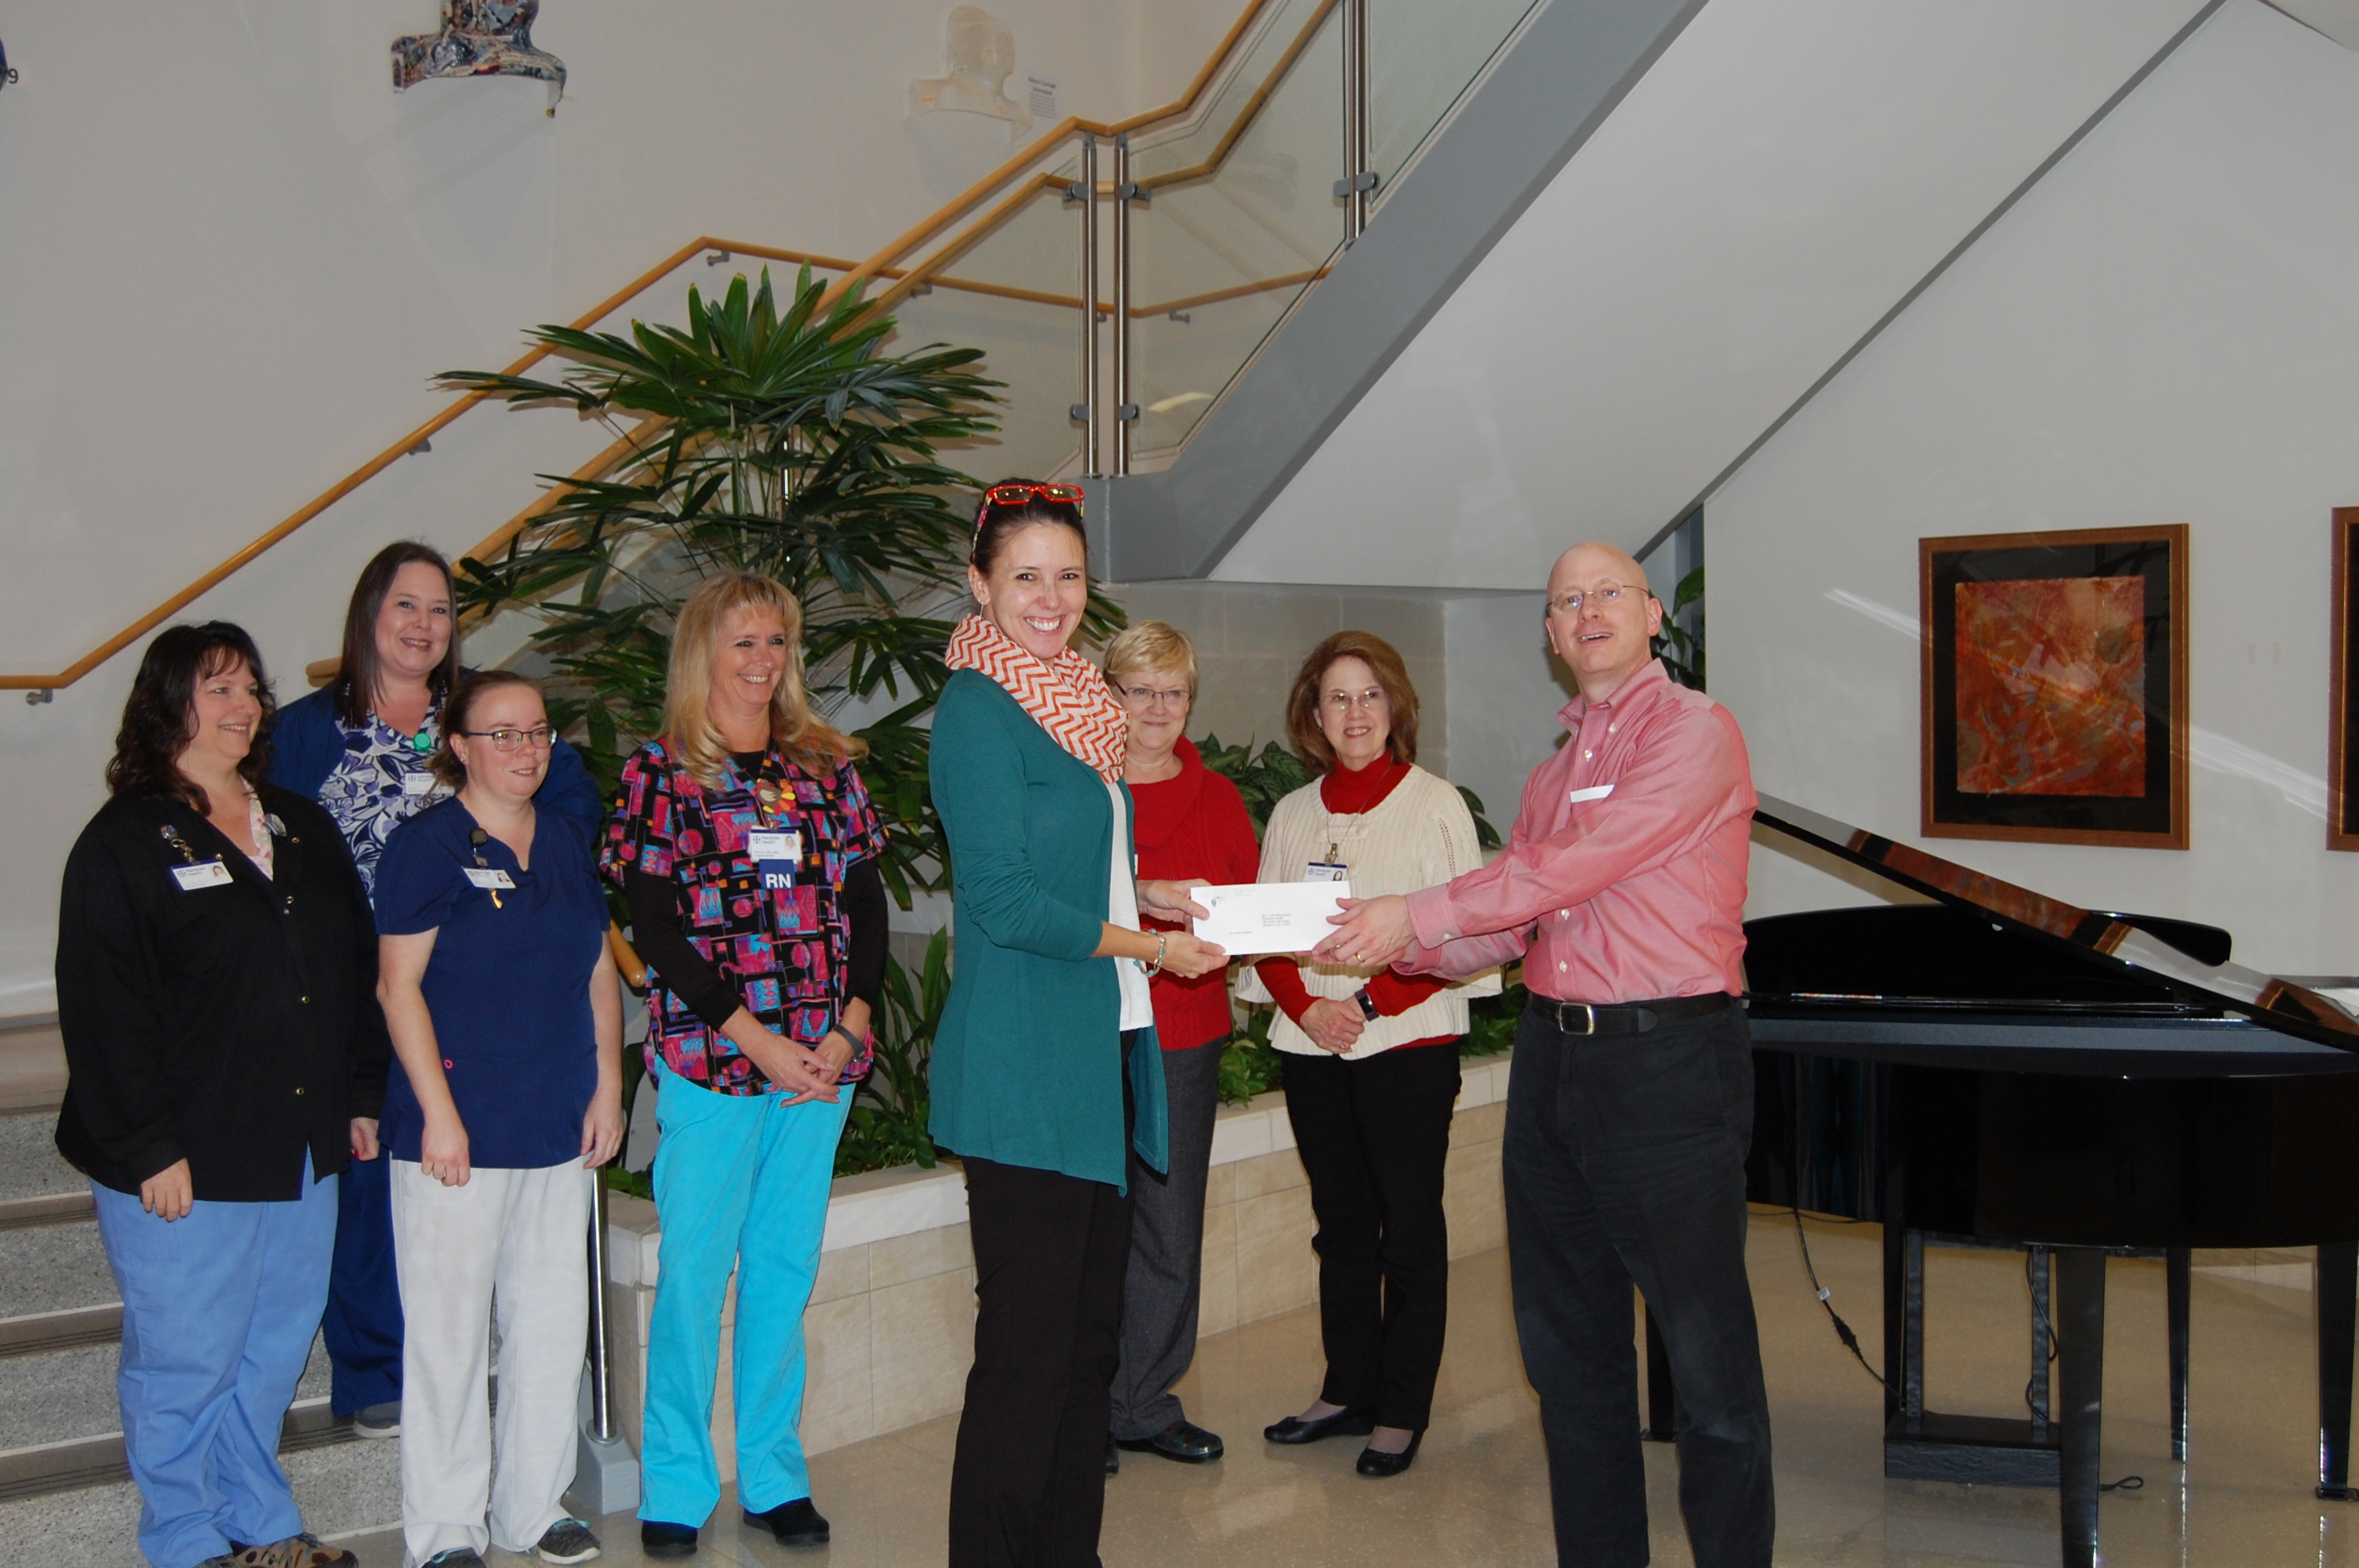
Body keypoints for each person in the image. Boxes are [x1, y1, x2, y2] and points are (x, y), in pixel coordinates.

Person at [1315, 543, 1770, 1566]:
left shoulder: (1696, 734)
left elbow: (1575, 867)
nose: (1588, 608)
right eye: (1567, 600)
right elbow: (1514, 926)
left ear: (1653, 614)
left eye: (1609, 590)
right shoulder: (1553, 773)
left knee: (1707, 1367)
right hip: (1554, 1067)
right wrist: (1376, 940)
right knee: (1571, 1361)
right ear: (1552, 638)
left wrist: (1413, 911)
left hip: (1668, 1064)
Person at [927, 481, 1225, 1566]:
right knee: (1028, 1355)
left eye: (1068, 575)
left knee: (1088, 1346)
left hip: (1097, 1055)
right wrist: (1149, 950)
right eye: (1025, 576)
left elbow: (1074, 869)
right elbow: (1003, 902)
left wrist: (1147, 901)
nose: (1050, 598)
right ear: (979, 584)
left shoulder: (1074, 701)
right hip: (1023, 1067)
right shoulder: (976, 707)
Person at [55, 622, 388, 1568]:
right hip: (184, 1155)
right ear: (168, 701)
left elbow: (350, 965)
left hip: (300, 1142)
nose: (243, 707)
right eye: (218, 688)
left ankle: (259, 1518)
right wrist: (148, 1144)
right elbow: (102, 1007)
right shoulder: (124, 839)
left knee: (274, 1348)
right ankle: (183, 1535)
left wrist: (360, 1092)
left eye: (251, 689)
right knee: (186, 1358)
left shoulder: (297, 820)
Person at [269, 541, 605, 1439]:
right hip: (359, 984)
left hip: (475, 981)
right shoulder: (308, 729)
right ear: (368, 616)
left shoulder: (483, 716)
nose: (423, 626)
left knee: (470, 1196)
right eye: (404, 606)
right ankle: (373, 1364)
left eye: (440, 610)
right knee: (372, 1169)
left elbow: (568, 813)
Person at [602, 572, 891, 1559]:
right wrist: (755, 1036)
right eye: (742, 642)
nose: (762, 660)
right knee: (693, 1277)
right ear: (702, 652)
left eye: (775, 641)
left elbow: (864, 908)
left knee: (780, 1271)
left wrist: (850, 1025)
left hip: (820, 1066)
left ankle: (773, 1471)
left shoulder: (827, 765)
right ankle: (677, 1483)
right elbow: (654, 927)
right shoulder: (660, 772)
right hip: (715, 1063)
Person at [373, 671, 625, 1568]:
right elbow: (396, 985)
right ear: (460, 746)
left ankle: (530, 1506)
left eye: (538, 732)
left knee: (552, 1325)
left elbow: (596, 966)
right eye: (503, 733)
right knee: (447, 1337)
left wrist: (609, 1085)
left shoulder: (561, 840)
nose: (525, 749)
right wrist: (439, 1117)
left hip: (557, 1123)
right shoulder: (427, 846)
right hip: (457, 1135)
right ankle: (444, 1531)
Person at [1241, 631, 1496, 1479]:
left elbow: (1464, 935)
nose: (1353, 713)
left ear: (1395, 706)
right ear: (1311, 715)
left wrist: (1360, 1001)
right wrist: (1307, 1007)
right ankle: (1345, 1387)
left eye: (1368, 695)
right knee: (1341, 1225)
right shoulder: (1291, 812)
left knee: (1408, 1227)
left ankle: (1400, 1406)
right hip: (1312, 1043)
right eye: (1335, 698)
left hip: (1405, 1044)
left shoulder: (1434, 805)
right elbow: (1263, 936)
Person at [1100, 622, 1259, 1472]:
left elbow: (1246, 910)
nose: (1156, 708)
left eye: (1172, 692)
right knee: (1091, 1225)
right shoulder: (1083, 792)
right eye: (1138, 690)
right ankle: (1084, 1402)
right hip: (1091, 1034)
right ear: (1109, 695)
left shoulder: (1220, 799)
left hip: (1183, 1035)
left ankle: (1143, 1401)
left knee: (1167, 1221)